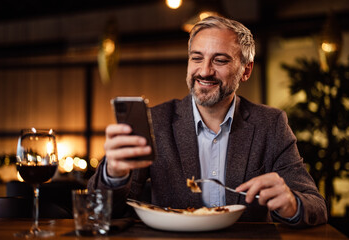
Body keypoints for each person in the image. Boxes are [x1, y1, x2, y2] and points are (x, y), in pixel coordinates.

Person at [88, 16, 327, 227]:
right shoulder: (156, 122)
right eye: (197, 58)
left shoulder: (271, 124)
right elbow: (101, 211)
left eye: (220, 60)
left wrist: (291, 204)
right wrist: (114, 174)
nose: (204, 71)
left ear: (246, 70)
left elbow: (316, 207)